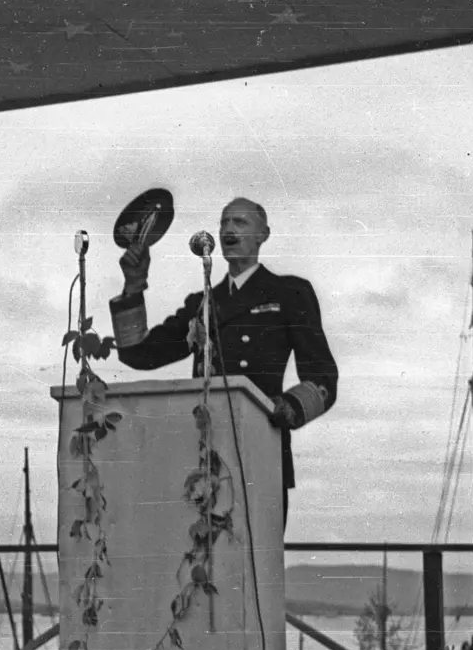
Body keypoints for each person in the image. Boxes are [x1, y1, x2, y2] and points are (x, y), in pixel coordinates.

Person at [109, 197, 339, 524]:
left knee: (257, 563)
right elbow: (140, 355)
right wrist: (134, 284)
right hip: (202, 454)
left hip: (261, 447)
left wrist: (286, 407)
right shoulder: (203, 302)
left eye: (240, 222)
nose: (229, 228)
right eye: (224, 222)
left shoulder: (290, 293)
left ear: (263, 234)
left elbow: (322, 377)